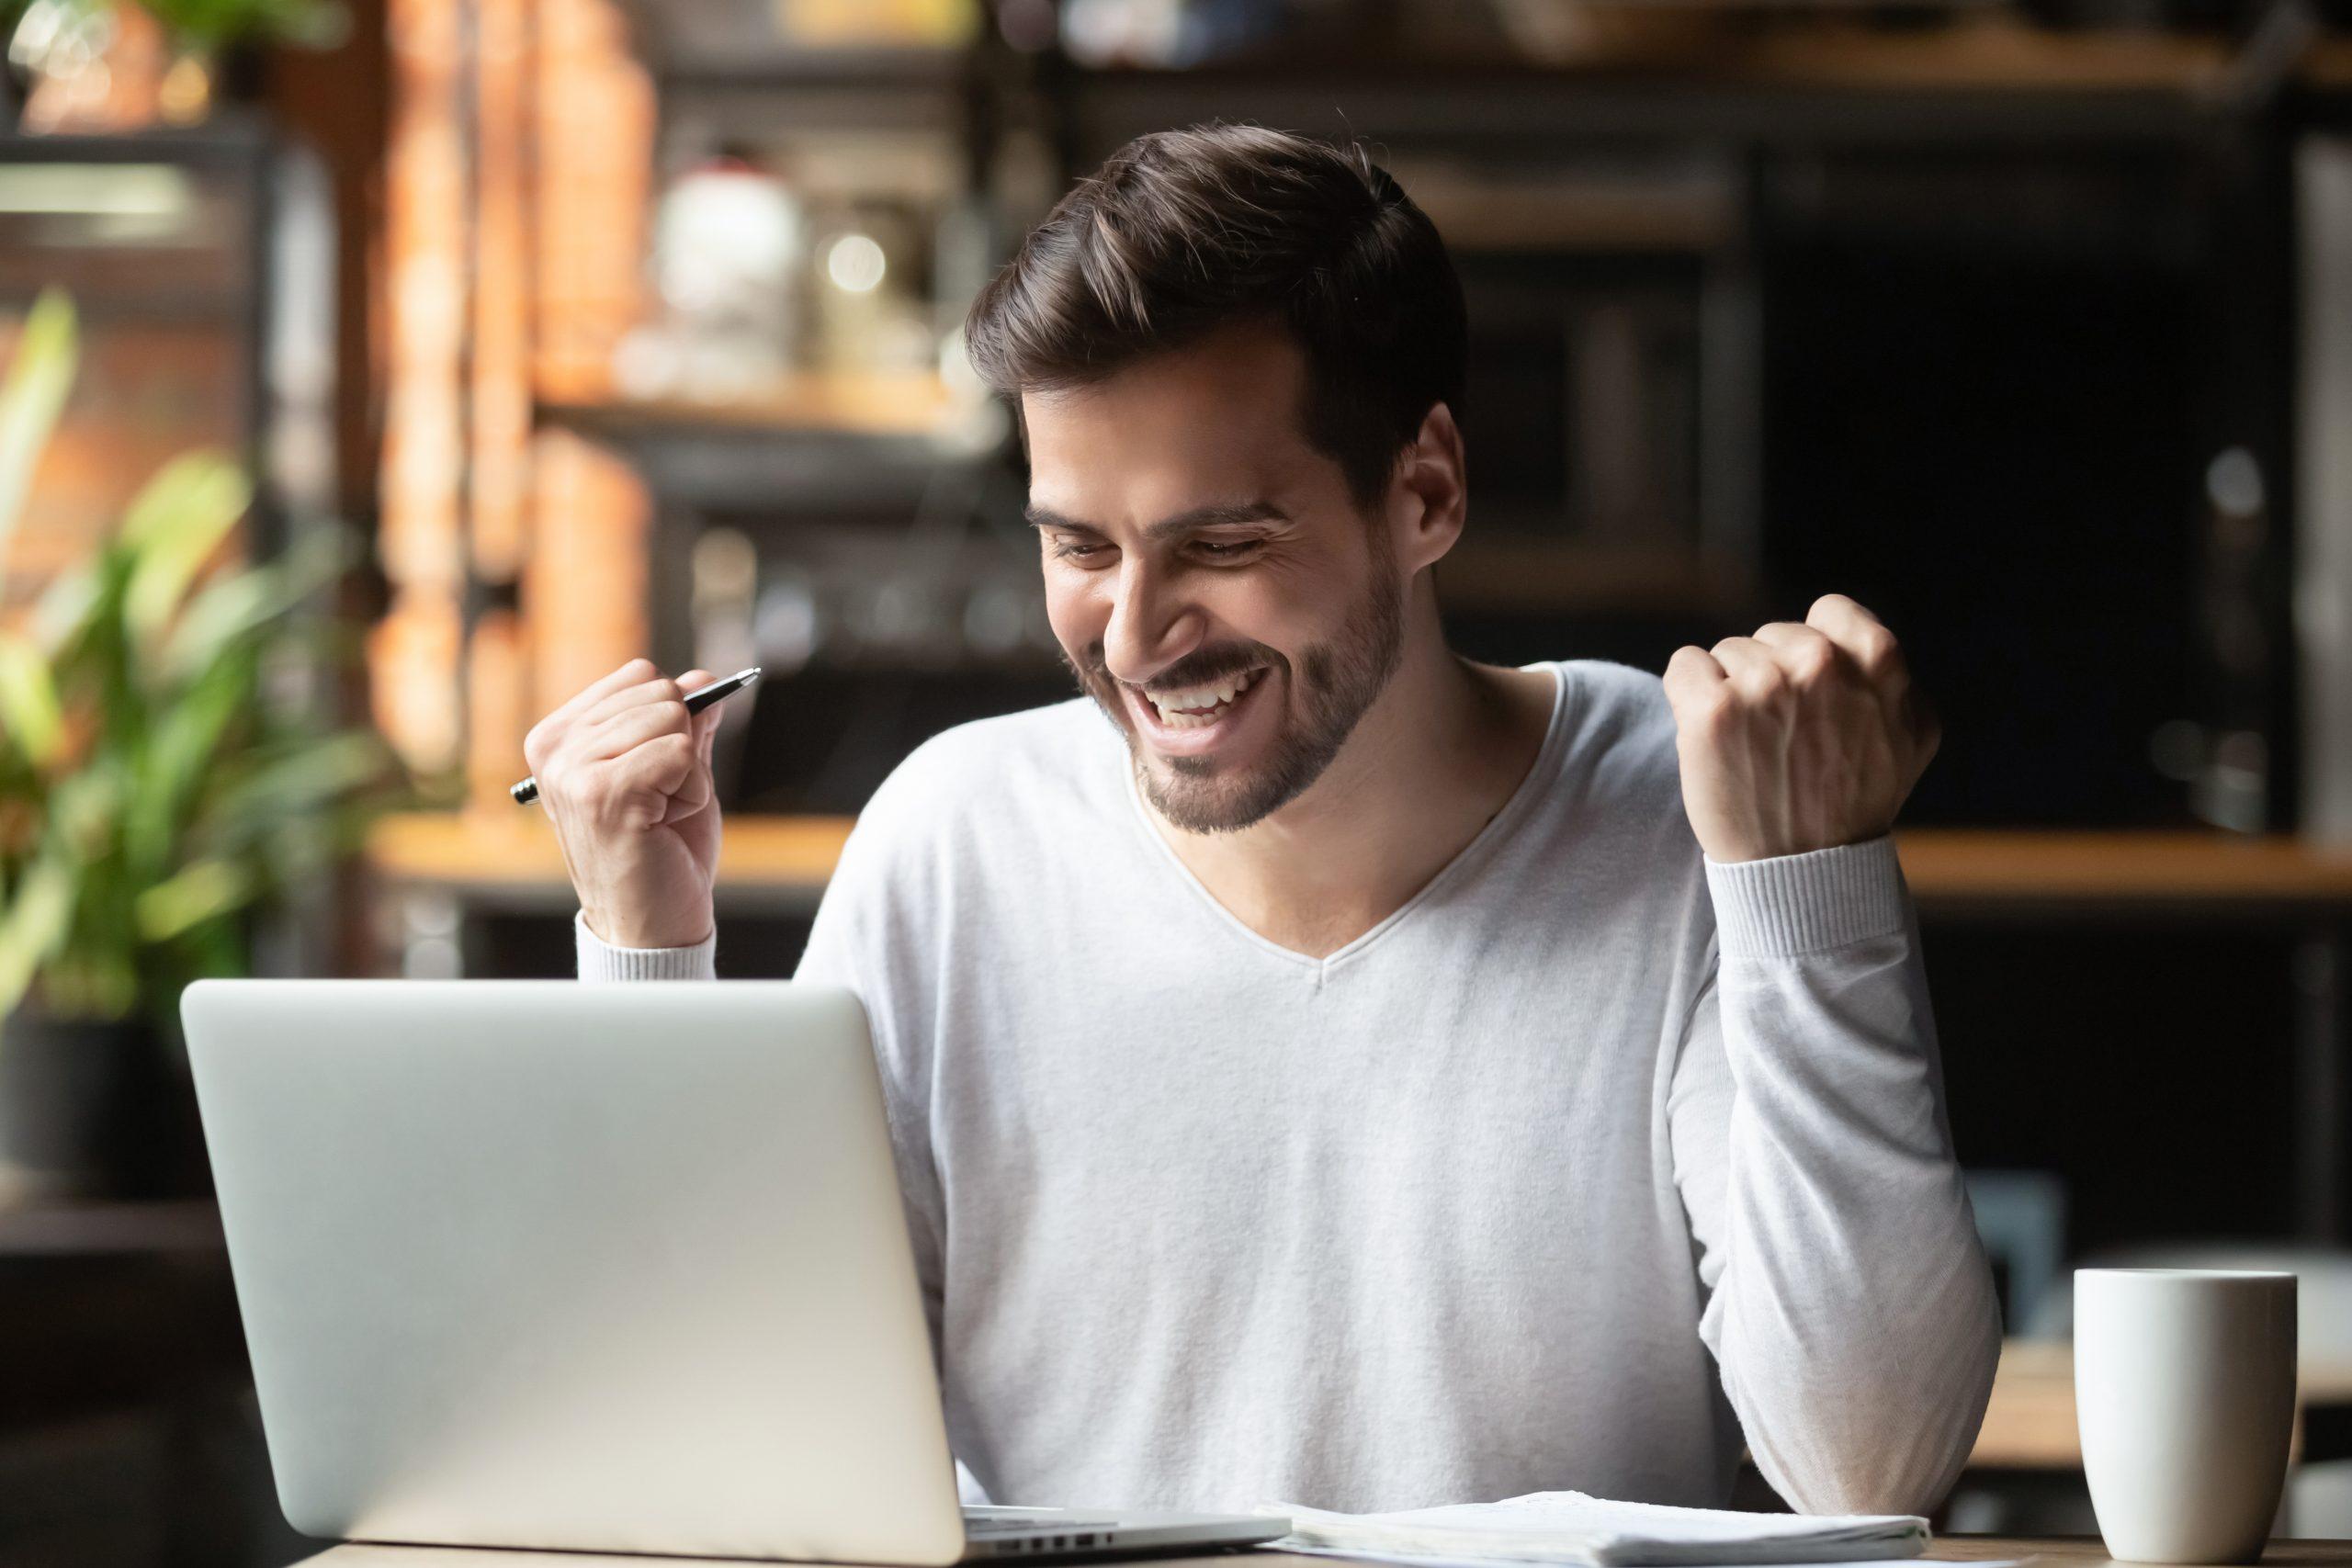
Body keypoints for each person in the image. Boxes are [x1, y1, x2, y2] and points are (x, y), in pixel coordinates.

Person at [523, 124, 2001, 1519]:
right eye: (1079, 547)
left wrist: (1808, 884)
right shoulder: (954, 843)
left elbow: (1868, 1467)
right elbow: (738, 1465)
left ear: (1423, 492)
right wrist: (647, 959)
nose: (1138, 636)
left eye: (1222, 542)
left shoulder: (1694, 824)